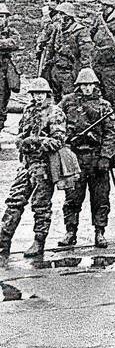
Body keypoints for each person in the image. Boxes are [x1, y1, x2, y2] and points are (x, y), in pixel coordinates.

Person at [0, 77, 66, 260]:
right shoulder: (28, 111)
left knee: (41, 206)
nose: (38, 97)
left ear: (47, 94)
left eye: (41, 93)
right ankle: (4, 240)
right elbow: (21, 134)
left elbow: (59, 141)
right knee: (14, 201)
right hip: (26, 164)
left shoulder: (55, 113)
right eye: (35, 93)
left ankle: (39, 241)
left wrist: (37, 141)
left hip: (43, 166)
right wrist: (22, 141)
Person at [56, 68, 115, 250]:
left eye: (90, 84)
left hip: (96, 157)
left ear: (95, 85)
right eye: (84, 85)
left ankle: (99, 232)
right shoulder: (67, 103)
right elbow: (56, 121)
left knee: (100, 199)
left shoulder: (104, 106)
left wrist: (106, 156)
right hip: (74, 158)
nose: (87, 88)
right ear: (78, 86)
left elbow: (110, 133)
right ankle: (70, 231)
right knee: (72, 198)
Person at [38, 1, 91, 103]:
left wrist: (84, 71)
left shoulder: (80, 30)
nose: (60, 17)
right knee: (56, 97)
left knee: (70, 98)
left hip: (70, 71)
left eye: (62, 14)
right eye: (59, 14)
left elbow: (85, 53)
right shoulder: (58, 28)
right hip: (56, 69)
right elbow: (50, 47)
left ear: (69, 16)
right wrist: (46, 65)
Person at [0, 2, 20, 138]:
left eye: (2, 16)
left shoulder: (11, 31)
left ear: (7, 18)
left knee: (1, 105)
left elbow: (14, 43)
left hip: (3, 73)